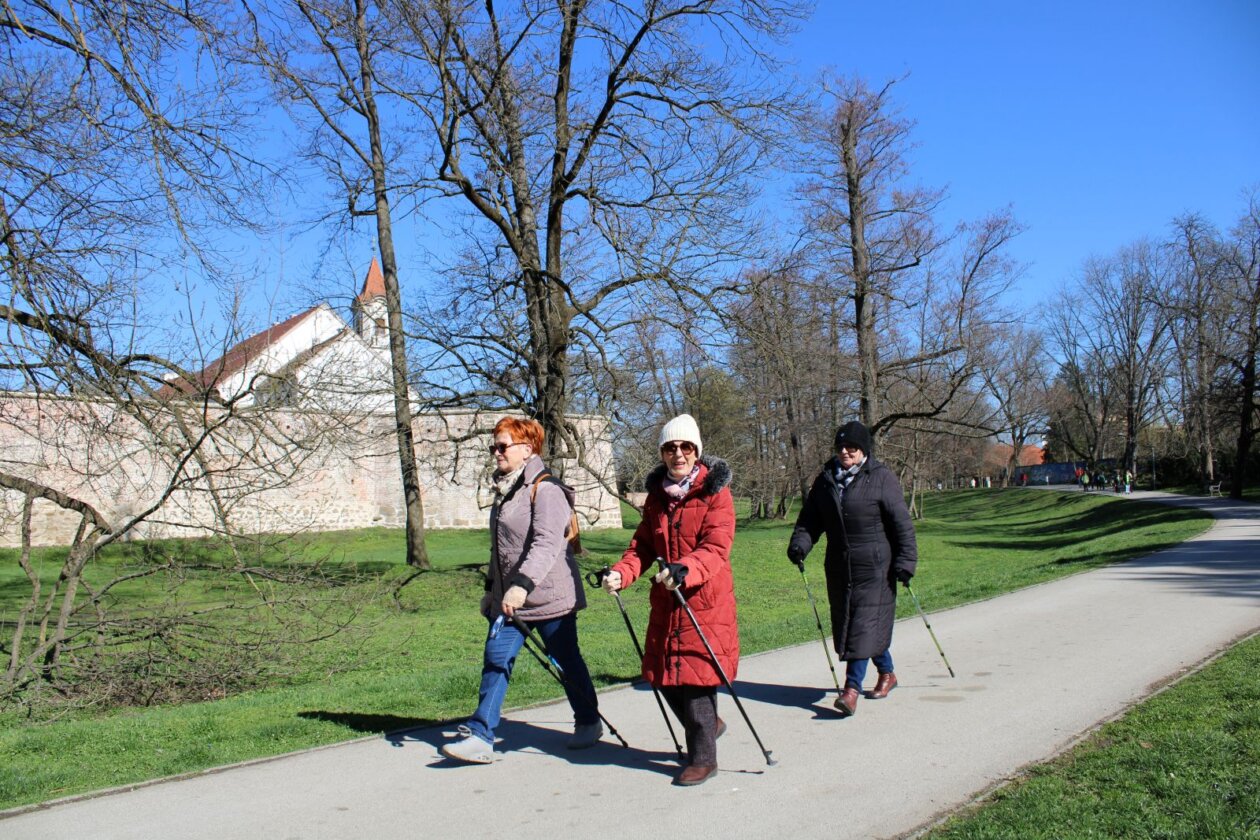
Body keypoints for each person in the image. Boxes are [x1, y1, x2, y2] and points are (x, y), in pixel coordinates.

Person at [441, 417, 601, 764]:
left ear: (527, 450)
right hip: (509, 600)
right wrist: (491, 590)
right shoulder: (506, 489)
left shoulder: (546, 490)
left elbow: (546, 544)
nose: (495, 452)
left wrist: (522, 586)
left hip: (549, 597)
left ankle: (588, 719)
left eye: (503, 446)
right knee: (496, 659)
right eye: (493, 447)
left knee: (566, 661)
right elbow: (500, 550)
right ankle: (482, 735)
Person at [603, 414, 737, 787]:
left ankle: (703, 758)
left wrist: (685, 569)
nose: (678, 454)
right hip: (667, 600)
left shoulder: (715, 493)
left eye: (685, 447)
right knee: (659, 675)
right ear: (662, 452)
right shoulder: (657, 498)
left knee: (696, 680)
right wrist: (621, 573)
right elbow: (642, 546)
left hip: (704, 600)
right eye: (670, 447)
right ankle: (710, 726)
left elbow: (716, 546)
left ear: (697, 451)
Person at [787, 420, 918, 717]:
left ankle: (851, 690)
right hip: (839, 567)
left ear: (864, 450)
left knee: (863, 624)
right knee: (853, 625)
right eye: (841, 447)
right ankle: (888, 672)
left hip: (876, 567)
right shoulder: (825, 480)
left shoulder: (881, 477)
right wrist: (799, 545)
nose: (845, 451)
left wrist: (906, 562)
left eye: (853, 447)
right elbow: (810, 520)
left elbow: (902, 525)